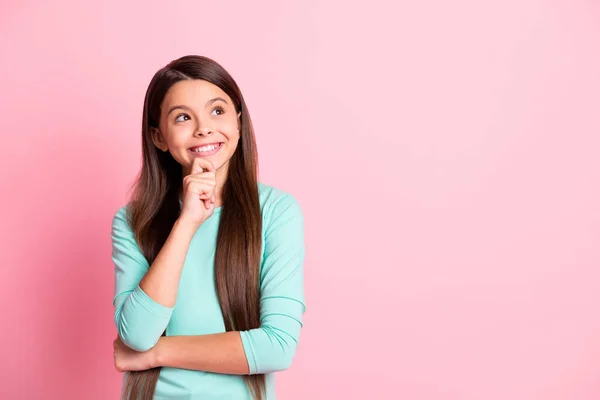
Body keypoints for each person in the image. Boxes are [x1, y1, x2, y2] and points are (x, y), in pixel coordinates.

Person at [110, 55, 306, 400]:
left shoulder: (276, 211)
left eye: (217, 111)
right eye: (183, 117)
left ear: (239, 123)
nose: (203, 128)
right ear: (159, 136)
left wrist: (158, 353)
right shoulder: (131, 221)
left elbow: (277, 346)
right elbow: (137, 335)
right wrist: (186, 223)